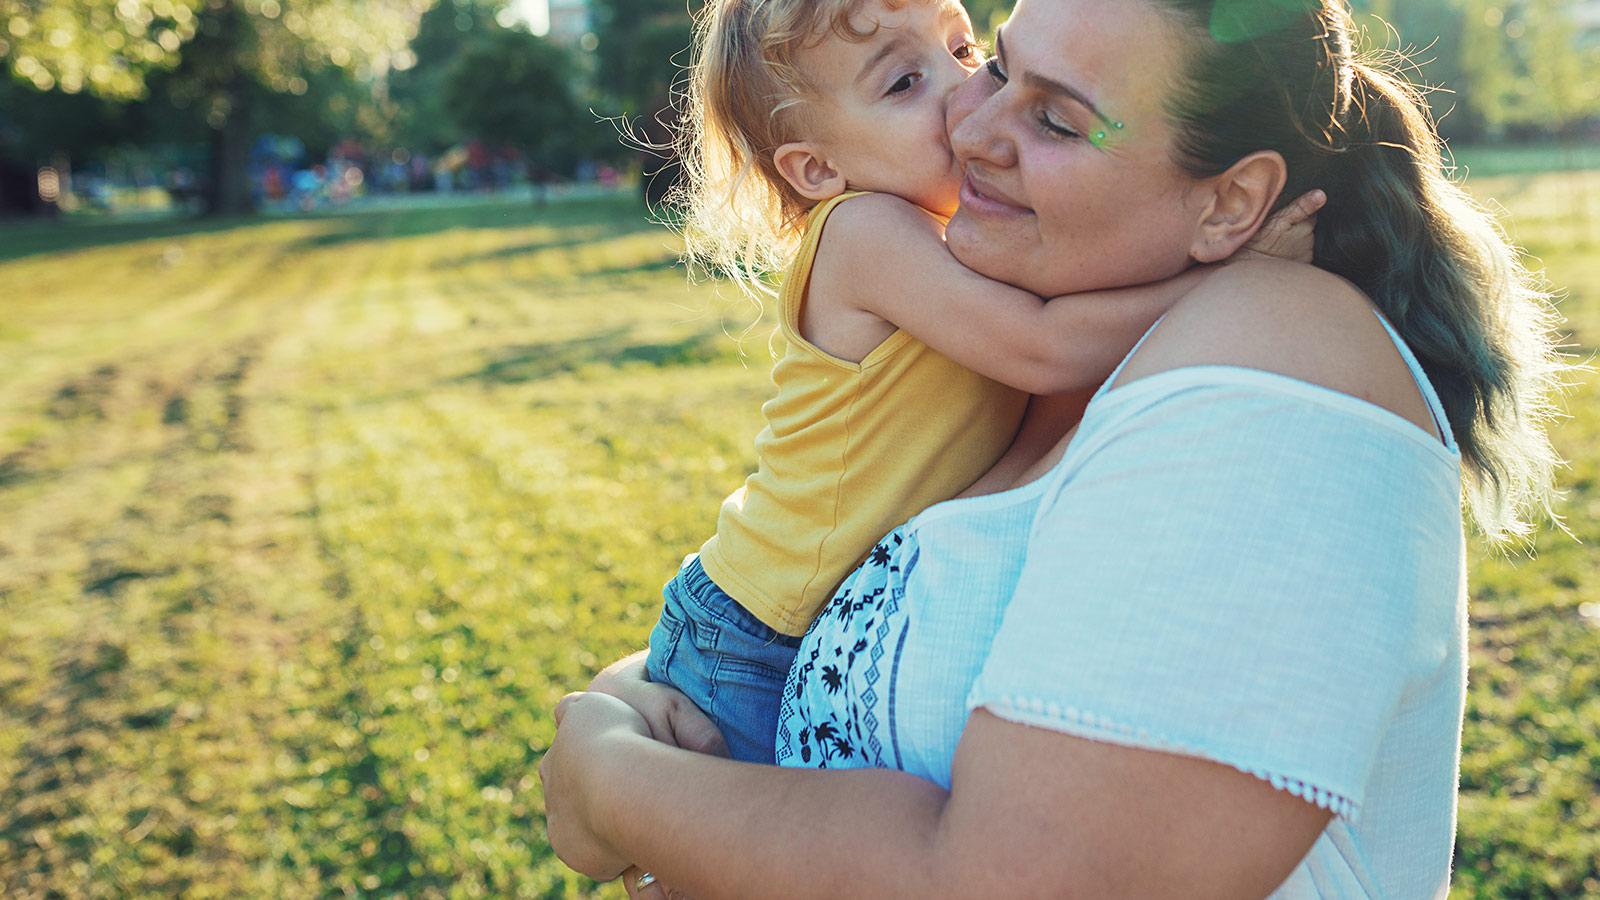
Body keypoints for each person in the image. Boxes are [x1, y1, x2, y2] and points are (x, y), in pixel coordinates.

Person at [540, 0, 1568, 896]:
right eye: (997, 65)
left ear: (1231, 206)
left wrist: (617, 784)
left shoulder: (1276, 361)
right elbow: (850, 622)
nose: (971, 121)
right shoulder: (1026, 358)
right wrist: (639, 701)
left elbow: (1018, 885)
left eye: (1055, 118)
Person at [639, 0, 1321, 764]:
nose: (964, 95)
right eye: (904, 82)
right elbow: (1043, 346)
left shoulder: (941, 239)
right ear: (818, 168)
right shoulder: (864, 233)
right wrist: (1233, 274)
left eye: (965, 50)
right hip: (756, 628)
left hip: (800, 610)